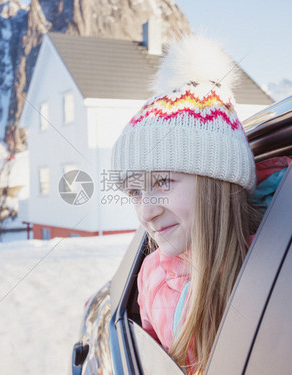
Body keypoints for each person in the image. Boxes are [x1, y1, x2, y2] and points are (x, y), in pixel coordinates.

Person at [110, 35, 263, 373]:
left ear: (216, 183)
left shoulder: (277, 266)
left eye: (163, 182)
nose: (146, 212)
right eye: (134, 192)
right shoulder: (151, 277)